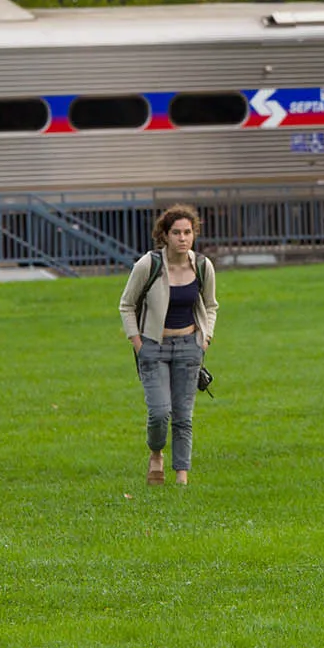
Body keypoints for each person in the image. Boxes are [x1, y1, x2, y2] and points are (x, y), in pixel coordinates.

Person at [118, 204, 219, 485]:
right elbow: (126, 305)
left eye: (188, 232)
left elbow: (211, 306)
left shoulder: (202, 265)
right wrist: (138, 343)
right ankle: (156, 453)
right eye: (176, 233)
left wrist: (205, 339)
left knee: (183, 415)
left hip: (189, 346)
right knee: (160, 412)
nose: (183, 238)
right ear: (164, 235)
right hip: (153, 346)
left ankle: (181, 477)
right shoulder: (149, 265)